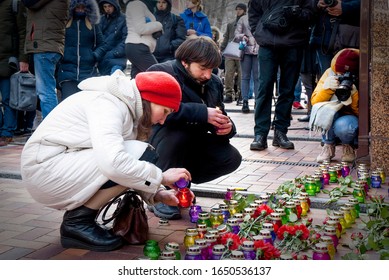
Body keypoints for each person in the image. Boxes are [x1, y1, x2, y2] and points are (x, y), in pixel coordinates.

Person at [20, 70, 193, 252]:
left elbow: (125, 164)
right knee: (135, 155)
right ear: (148, 99)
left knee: (135, 155)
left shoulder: (126, 106)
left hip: (57, 164)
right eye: (164, 111)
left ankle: (79, 220)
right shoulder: (107, 103)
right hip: (44, 169)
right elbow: (114, 163)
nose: (163, 120)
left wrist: (157, 194)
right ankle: (77, 223)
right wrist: (162, 178)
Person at [146, 36, 242, 220]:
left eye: (211, 69)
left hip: (193, 141)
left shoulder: (213, 82)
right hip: (159, 141)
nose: (207, 75)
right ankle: (161, 193)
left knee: (231, 157)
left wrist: (226, 128)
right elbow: (153, 112)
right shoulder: (161, 72)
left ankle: (182, 183)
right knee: (178, 135)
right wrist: (201, 113)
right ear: (185, 62)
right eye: (202, 68)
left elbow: (218, 112)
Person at [248, 0, 314, 151]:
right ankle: (260, 134)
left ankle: (280, 132)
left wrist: (297, 13)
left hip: (293, 43)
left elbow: (311, 13)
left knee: (288, 89)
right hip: (267, 43)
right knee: (264, 88)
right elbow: (253, 12)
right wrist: (258, 32)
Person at [310, 48, 359, 163]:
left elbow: (363, 114)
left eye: (344, 75)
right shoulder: (330, 72)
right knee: (325, 112)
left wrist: (354, 95)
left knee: (344, 126)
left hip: (350, 117)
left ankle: (348, 145)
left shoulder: (362, 76)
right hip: (333, 114)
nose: (340, 76)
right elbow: (315, 103)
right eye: (339, 74)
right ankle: (328, 145)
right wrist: (327, 89)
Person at [23, 0, 69, 119]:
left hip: (45, 45)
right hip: (50, 45)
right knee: (48, 89)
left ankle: (51, 127)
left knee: (45, 91)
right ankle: (52, 125)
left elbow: (29, 2)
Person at [58, 0, 108, 100]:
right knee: (68, 105)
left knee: (86, 105)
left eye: (83, 8)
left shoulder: (93, 25)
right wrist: (62, 55)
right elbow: (57, 41)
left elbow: (102, 45)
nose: (80, 10)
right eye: (77, 7)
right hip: (67, 73)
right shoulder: (64, 24)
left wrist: (94, 56)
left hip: (88, 73)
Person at [0, 0, 29, 146]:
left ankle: (7, 133)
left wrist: (23, 58)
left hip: (8, 60)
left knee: (8, 99)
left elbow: (23, 31)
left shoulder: (14, 3)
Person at [310, 0, 360, 77]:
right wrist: (318, 4)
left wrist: (345, 7)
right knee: (327, 79)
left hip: (350, 39)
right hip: (324, 38)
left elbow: (372, 4)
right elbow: (306, 6)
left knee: (349, 80)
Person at [123, 0, 163, 78]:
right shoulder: (136, 4)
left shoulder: (139, 5)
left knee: (137, 79)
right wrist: (158, 25)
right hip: (138, 46)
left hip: (137, 46)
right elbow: (140, 29)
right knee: (158, 75)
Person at [220, 3, 246, 104]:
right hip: (230, 50)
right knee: (228, 73)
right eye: (237, 9)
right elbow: (226, 37)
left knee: (242, 74)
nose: (238, 11)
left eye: (240, 9)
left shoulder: (247, 23)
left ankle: (241, 95)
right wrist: (222, 48)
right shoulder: (231, 24)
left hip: (243, 50)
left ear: (244, 10)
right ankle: (229, 94)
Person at [235, 13, 259, 114]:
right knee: (245, 77)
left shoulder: (262, 16)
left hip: (259, 50)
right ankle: (245, 101)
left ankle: (258, 101)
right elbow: (236, 34)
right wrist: (243, 36)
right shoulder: (243, 18)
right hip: (245, 51)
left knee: (258, 77)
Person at [97, 0, 128, 75]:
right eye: (105, 6)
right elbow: (97, 39)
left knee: (115, 81)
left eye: (110, 6)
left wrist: (116, 53)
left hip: (117, 58)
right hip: (103, 58)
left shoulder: (124, 19)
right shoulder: (101, 20)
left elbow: (126, 39)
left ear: (114, 6)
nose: (107, 9)